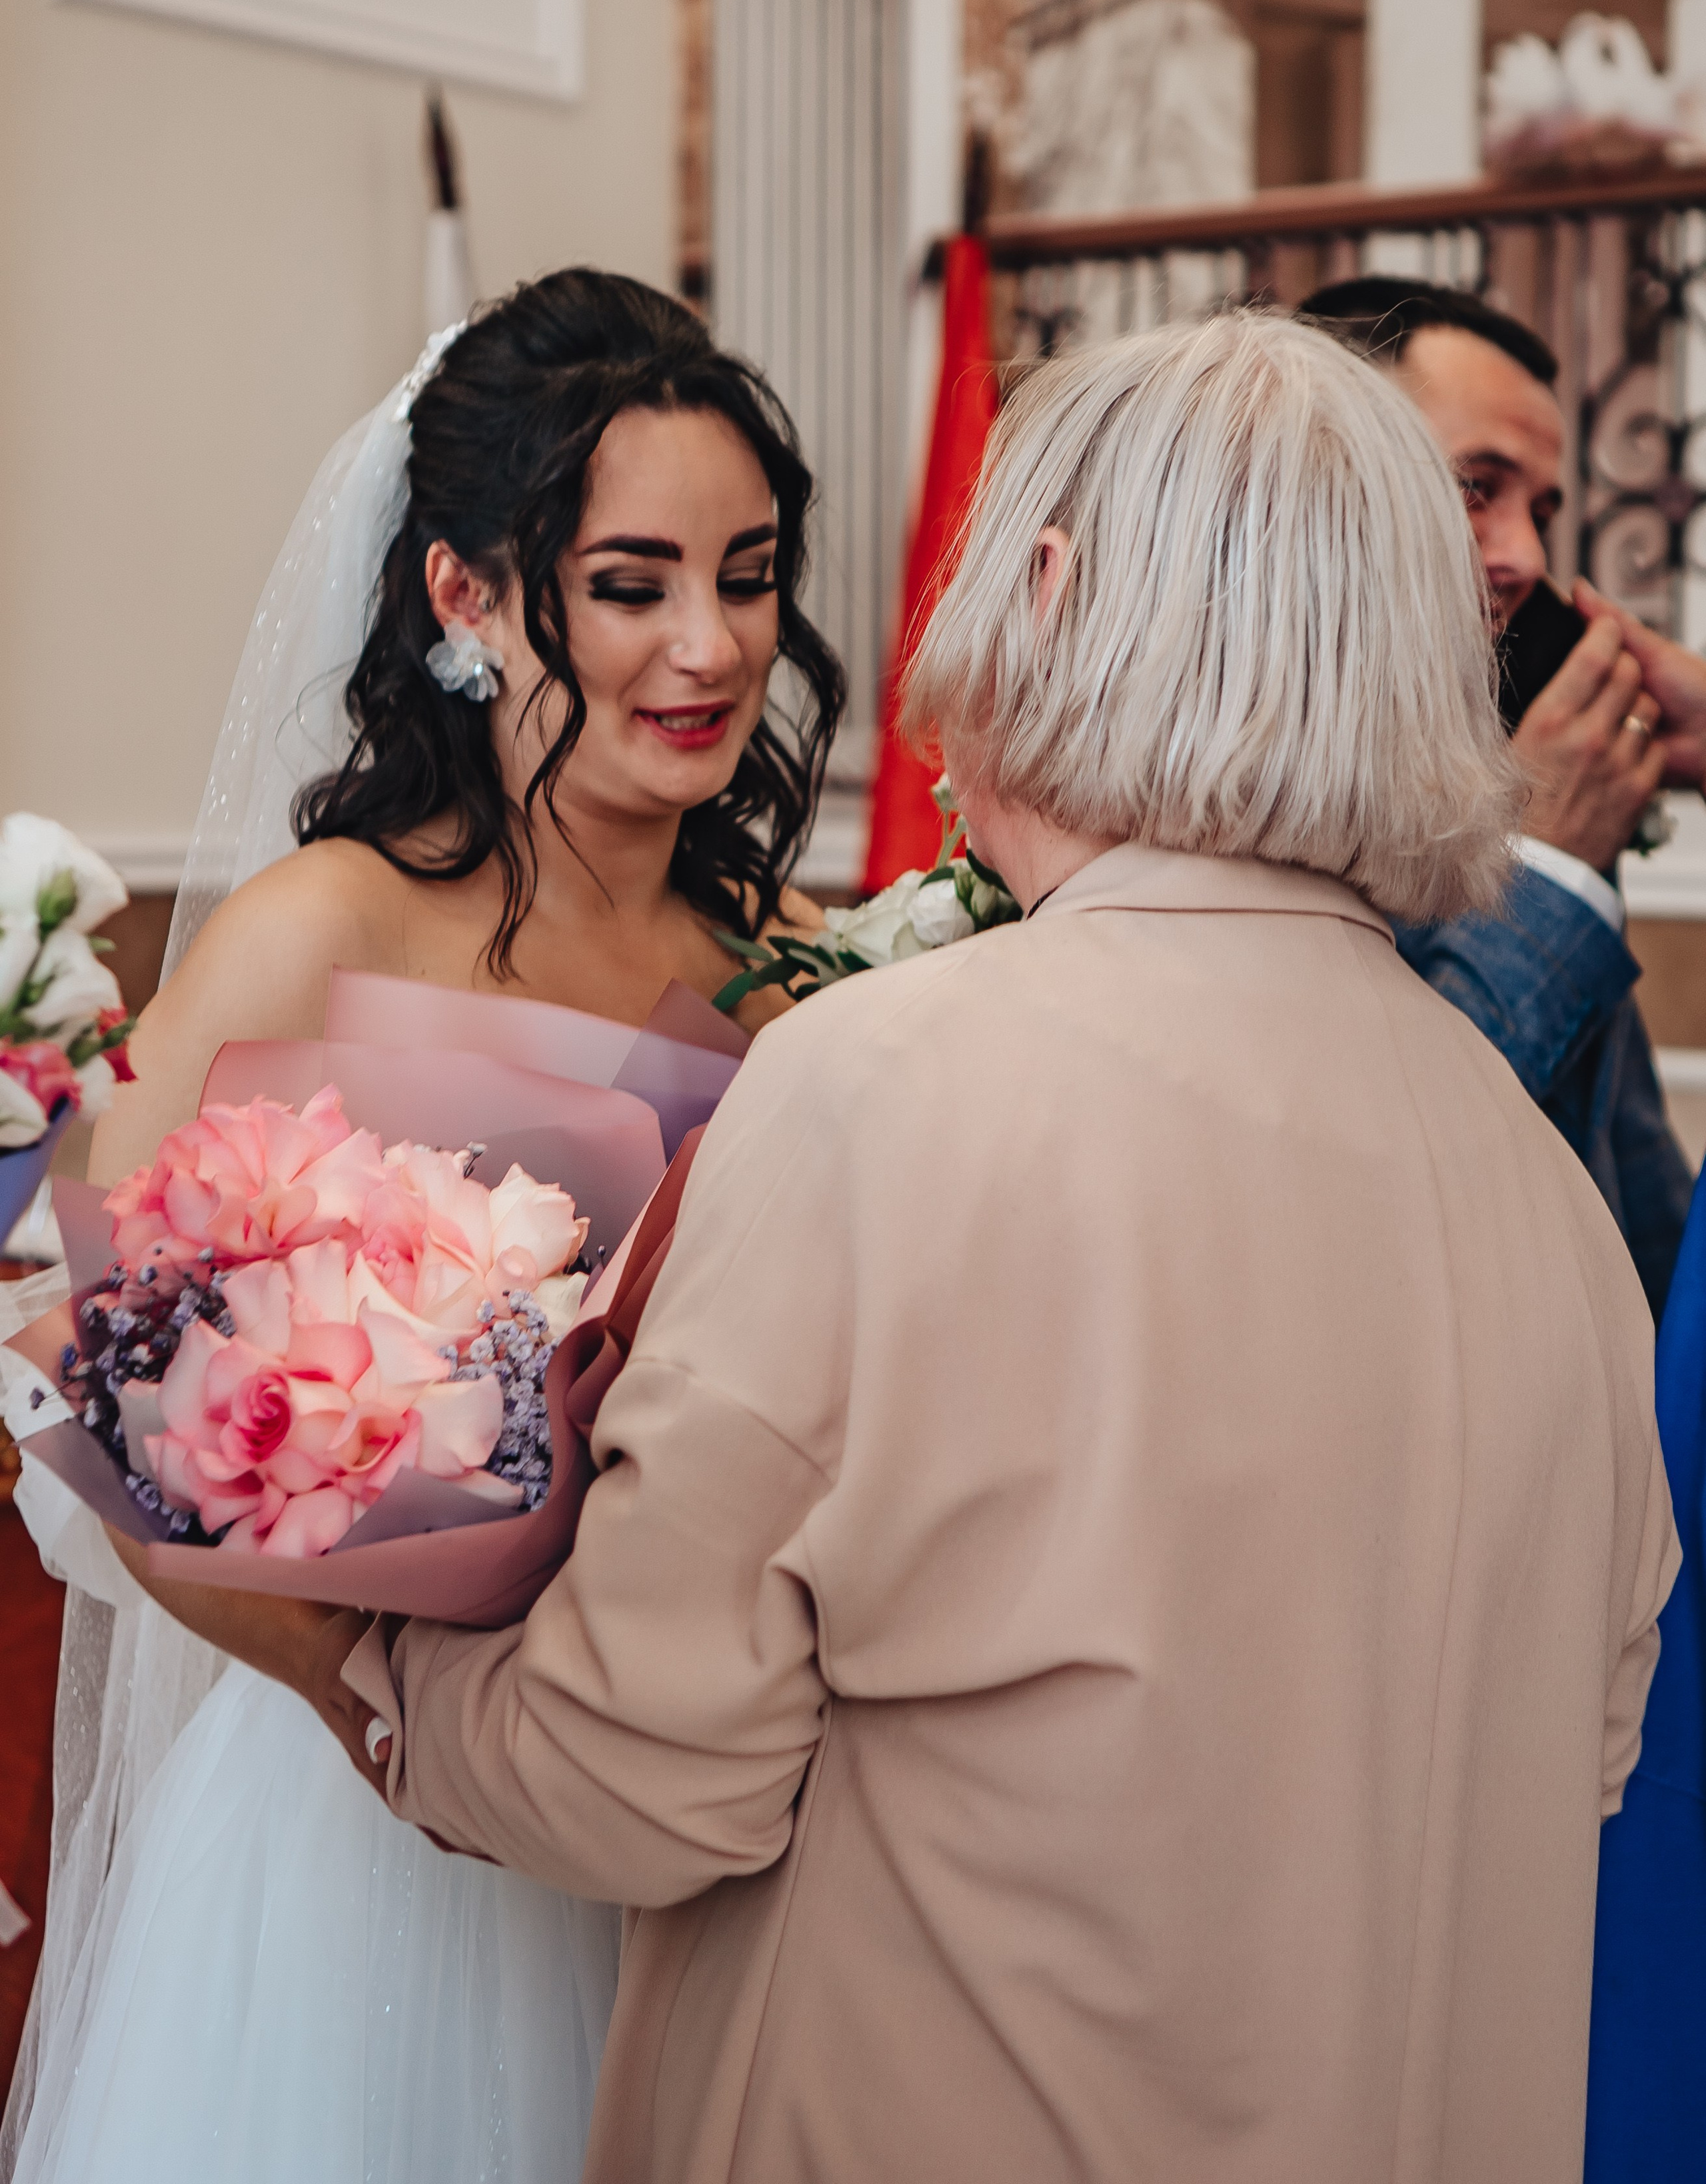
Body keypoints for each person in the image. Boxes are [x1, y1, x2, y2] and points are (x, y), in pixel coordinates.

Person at [146, 312, 1674, 2182]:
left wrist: (368, 1681)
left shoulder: (884, 1077)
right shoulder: (1540, 1195)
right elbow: (1567, 1769)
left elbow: (641, 1771)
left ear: (1039, 591)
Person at [0, 269, 844, 2184]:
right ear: (466, 594)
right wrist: (381, 1712)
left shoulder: (783, 982)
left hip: (654, 1804)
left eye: (749, 570)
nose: (709, 645)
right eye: (631, 582)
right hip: (346, 1831)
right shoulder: (329, 926)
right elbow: (97, 1405)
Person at [1302, 276, 1699, 1318]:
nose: (1526, 555)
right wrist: (1550, 870)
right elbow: (1355, 1188)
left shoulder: (1521, 762)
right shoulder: (1219, 793)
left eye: (1543, 508)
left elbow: (1638, 1192)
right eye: (1477, 487)